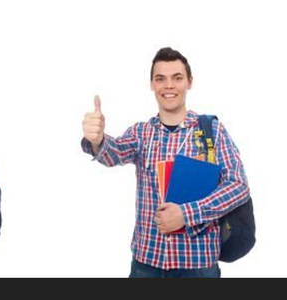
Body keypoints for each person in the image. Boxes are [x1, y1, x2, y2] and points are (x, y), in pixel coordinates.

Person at [81, 47, 250, 278]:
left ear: (189, 82)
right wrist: (97, 140)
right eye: (160, 79)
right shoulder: (141, 133)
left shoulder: (212, 130)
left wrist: (187, 214)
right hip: (146, 264)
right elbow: (114, 153)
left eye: (177, 78)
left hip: (198, 265)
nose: (168, 85)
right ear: (152, 85)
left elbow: (238, 185)